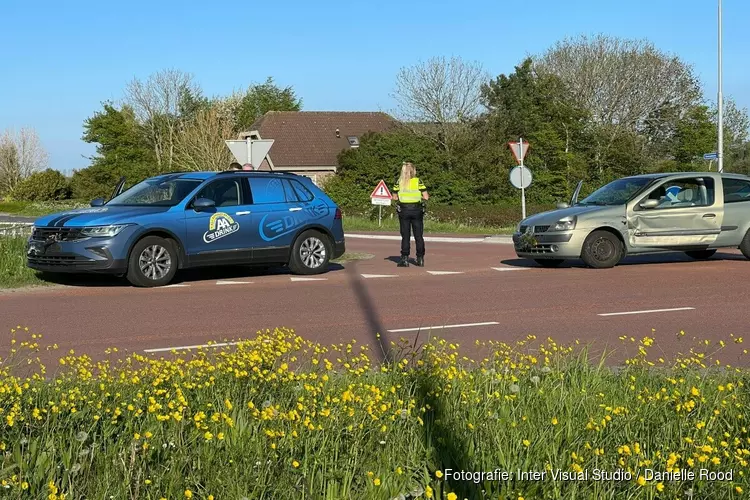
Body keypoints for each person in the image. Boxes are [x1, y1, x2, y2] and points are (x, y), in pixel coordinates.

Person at [392, 161, 429, 267]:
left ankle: (404, 259)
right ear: (414, 170)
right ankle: (420, 258)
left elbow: (394, 197)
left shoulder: (399, 182)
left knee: (405, 235)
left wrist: (402, 197)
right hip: (417, 210)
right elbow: (426, 197)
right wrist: (418, 196)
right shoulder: (418, 181)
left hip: (404, 210)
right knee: (418, 235)